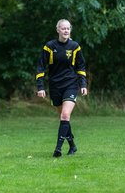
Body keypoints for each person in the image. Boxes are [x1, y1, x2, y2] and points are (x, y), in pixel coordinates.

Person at [36, 19, 88, 157]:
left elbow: (81, 67)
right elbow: (41, 67)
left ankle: (57, 149)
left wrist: (83, 84)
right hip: (55, 86)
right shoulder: (49, 46)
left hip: (71, 84)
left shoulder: (75, 46)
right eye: (63, 28)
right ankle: (72, 146)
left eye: (68, 28)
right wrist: (40, 87)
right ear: (57, 30)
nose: (66, 31)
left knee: (65, 115)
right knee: (64, 117)